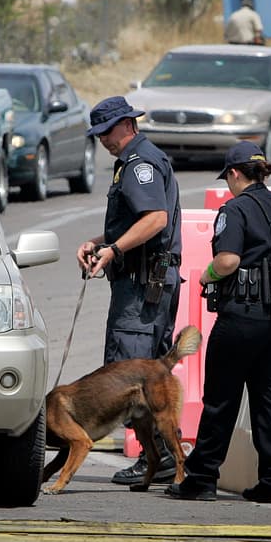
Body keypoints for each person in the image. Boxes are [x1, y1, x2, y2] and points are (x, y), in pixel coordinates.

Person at [165, 141, 271, 503]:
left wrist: (206, 276)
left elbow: (227, 261)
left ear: (235, 174)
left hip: (243, 315)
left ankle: (202, 478)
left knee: (222, 398)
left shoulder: (234, 210)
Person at [76, 95, 183, 487]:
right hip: (145, 283)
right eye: (98, 134)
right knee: (148, 373)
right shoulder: (136, 162)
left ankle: (157, 458)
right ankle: (163, 457)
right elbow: (137, 221)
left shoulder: (140, 164)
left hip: (142, 288)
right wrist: (100, 241)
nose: (103, 140)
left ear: (128, 125)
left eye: (107, 131)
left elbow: (155, 218)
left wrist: (115, 250)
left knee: (129, 375)